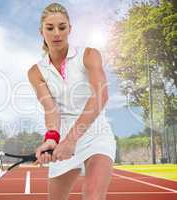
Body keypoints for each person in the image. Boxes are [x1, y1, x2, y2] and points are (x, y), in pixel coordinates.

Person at [27, 3, 116, 200]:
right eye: (50, 28)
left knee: (92, 195)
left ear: (70, 28)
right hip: (63, 142)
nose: (57, 33)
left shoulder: (89, 55)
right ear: (41, 31)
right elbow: (51, 110)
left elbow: (101, 95)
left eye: (62, 27)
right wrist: (52, 138)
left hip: (96, 135)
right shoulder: (35, 72)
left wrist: (71, 140)